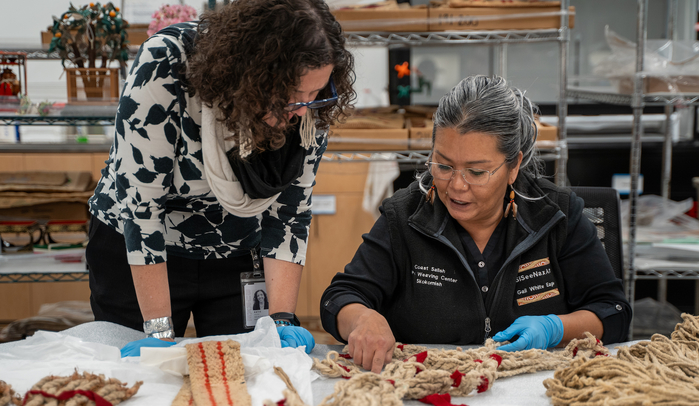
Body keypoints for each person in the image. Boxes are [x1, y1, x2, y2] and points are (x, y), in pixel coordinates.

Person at [86, 0, 354, 355]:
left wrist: (282, 318)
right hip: (143, 253)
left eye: (315, 94)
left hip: (236, 249)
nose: (301, 110)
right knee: (146, 378)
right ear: (251, 74)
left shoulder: (308, 107)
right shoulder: (168, 64)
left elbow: (289, 212)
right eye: (289, 97)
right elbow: (141, 208)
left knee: (248, 373)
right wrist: (159, 331)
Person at [320, 75, 631, 373]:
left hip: (534, 390)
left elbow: (613, 312)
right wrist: (363, 319)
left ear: (514, 166)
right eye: (443, 165)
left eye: (476, 172)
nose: (456, 185)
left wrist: (556, 328)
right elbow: (340, 298)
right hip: (432, 387)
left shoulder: (556, 216)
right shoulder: (404, 217)